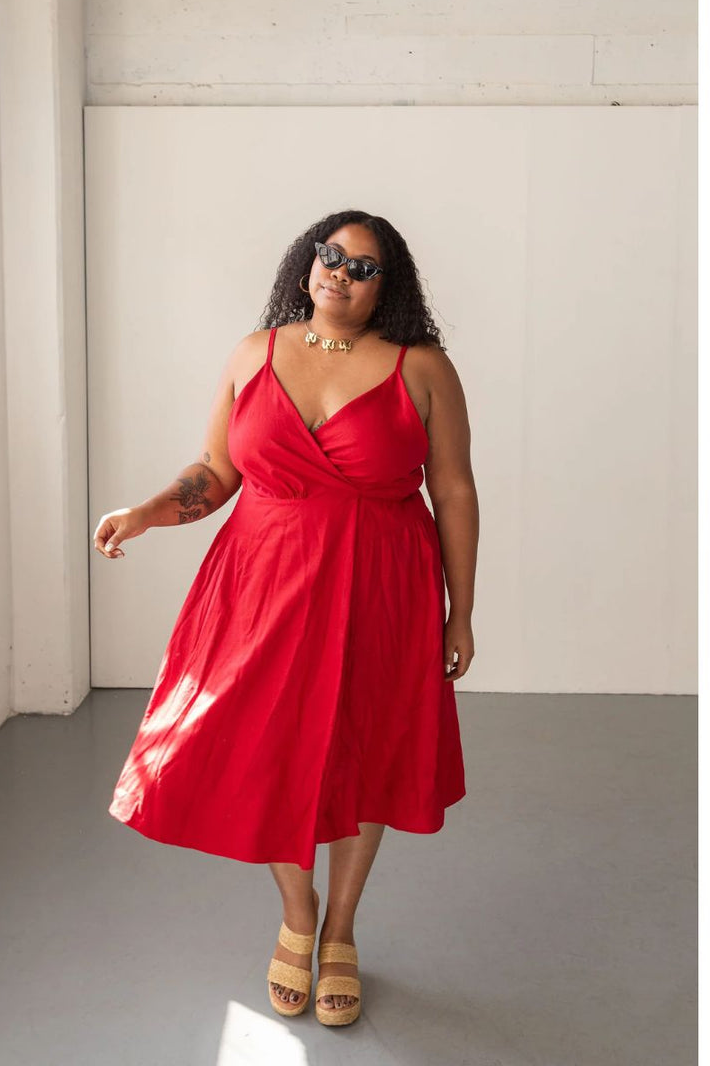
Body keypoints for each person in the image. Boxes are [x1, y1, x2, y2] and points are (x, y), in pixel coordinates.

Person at [93, 209, 479, 1027]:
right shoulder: (253, 354)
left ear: (386, 288)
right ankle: (298, 915)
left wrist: (461, 611)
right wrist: (145, 512)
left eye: (363, 266)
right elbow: (215, 471)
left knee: (366, 752)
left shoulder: (423, 369)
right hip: (262, 583)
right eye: (330, 254)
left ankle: (340, 929)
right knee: (269, 747)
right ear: (307, 263)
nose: (341, 271)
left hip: (383, 587)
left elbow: (452, 490)